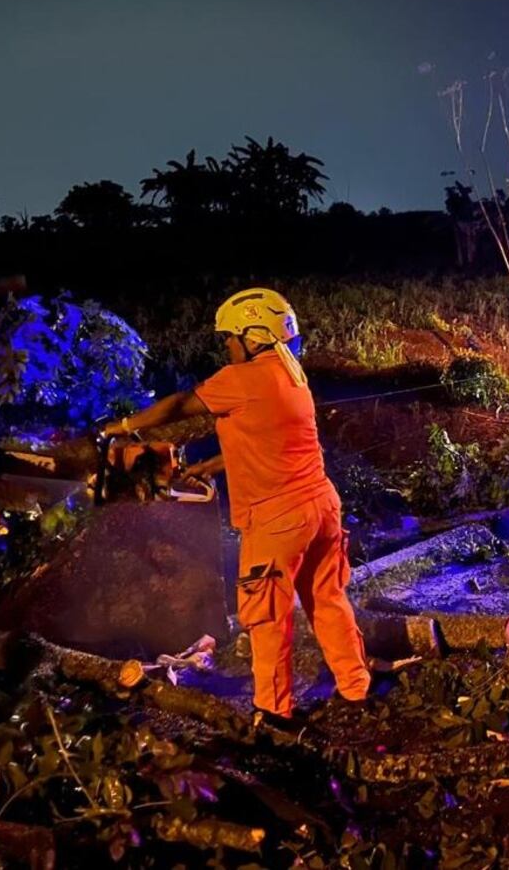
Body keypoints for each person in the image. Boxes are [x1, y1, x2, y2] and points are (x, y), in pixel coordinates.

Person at [102, 288, 370, 721]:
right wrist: (216, 463)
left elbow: (180, 405)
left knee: (266, 619)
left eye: (229, 337)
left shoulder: (241, 378)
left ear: (253, 335)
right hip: (320, 505)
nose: (226, 346)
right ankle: (356, 688)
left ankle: (274, 712)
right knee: (328, 599)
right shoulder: (292, 374)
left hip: (277, 519)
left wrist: (121, 427)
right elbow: (274, 438)